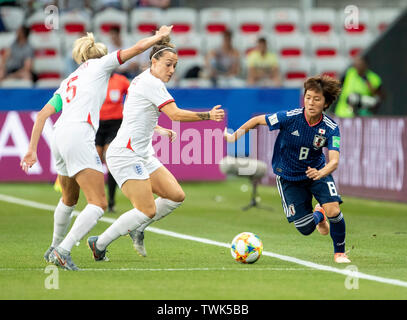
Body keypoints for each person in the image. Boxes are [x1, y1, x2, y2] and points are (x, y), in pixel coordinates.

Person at [20, 25, 173, 271]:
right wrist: (158, 36)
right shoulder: (101, 66)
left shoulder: (69, 79)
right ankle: (63, 250)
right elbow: (134, 50)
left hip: (59, 135)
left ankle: (53, 247)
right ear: (101, 56)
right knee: (98, 204)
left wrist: (31, 150)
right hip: (80, 134)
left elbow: (42, 116)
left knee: (69, 199)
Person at [87, 36, 225, 260]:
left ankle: (138, 227)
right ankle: (99, 243)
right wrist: (208, 115)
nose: (171, 70)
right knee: (147, 210)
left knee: (175, 196)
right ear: (153, 62)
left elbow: (137, 113)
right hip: (125, 154)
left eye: (175, 66)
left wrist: (158, 129)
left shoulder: (143, 80)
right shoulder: (152, 83)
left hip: (142, 153)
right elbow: (176, 114)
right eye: (168, 64)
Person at [224, 75, 350, 264]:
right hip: (288, 177)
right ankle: (319, 214)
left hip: (317, 173)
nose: (311, 102)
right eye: (308, 97)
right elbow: (258, 120)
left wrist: (321, 173)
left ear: (326, 103)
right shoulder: (290, 118)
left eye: (317, 99)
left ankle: (340, 253)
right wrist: (235, 136)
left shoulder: (330, 128)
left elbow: (334, 161)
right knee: (305, 228)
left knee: (334, 209)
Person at [96, 72, 130, 213]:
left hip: (115, 124)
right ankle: (97, 200)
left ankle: (110, 201)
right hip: (97, 124)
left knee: (110, 160)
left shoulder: (121, 81)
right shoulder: (95, 79)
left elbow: (133, 94)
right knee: (95, 161)